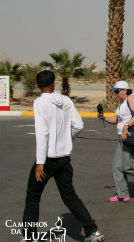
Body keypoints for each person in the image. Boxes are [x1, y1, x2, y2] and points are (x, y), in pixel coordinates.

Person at [21, 70, 104, 242]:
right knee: (70, 196)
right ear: (54, 83)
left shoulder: (39, 103)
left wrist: (40, 162)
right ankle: (92, 231)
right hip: (64, 158)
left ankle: (30, 236)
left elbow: (42, 133)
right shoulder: (65, 101)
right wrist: (67, 139)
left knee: (33, 196)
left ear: (37, 85)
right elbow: (78, 125)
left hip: (48, 159)